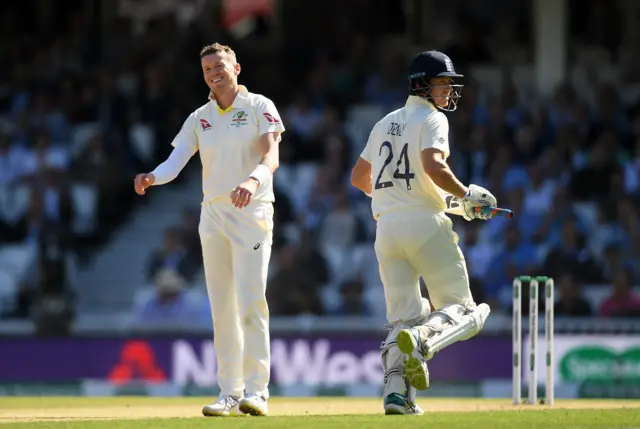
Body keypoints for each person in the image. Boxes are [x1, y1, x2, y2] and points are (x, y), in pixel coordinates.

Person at [134, 43, 284, 417]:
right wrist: (153, 176)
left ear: (236, 68)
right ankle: (229, 392)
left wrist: (252, 181)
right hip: (213, 215)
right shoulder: (199, 117)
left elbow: (272, 154)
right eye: (207, 69)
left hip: (251, 211)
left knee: (252, 302)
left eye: (220, 66)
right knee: (221, 309)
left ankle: (258, 391)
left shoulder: (259, 106)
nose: (214, 73)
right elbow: (175, 161)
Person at [350, 51, 493, 415]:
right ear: (422, 84)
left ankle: (397, 396)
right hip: (425, 227)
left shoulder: (384, 122)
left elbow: (359, 179)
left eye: (449, 84)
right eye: (442, 83)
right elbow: (433, 165)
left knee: (402, 318)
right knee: (466, 311)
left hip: (387, 230)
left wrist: (444, 201)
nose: (448, 90)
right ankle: (421, 341)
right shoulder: (433, 119)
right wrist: (464, 195)